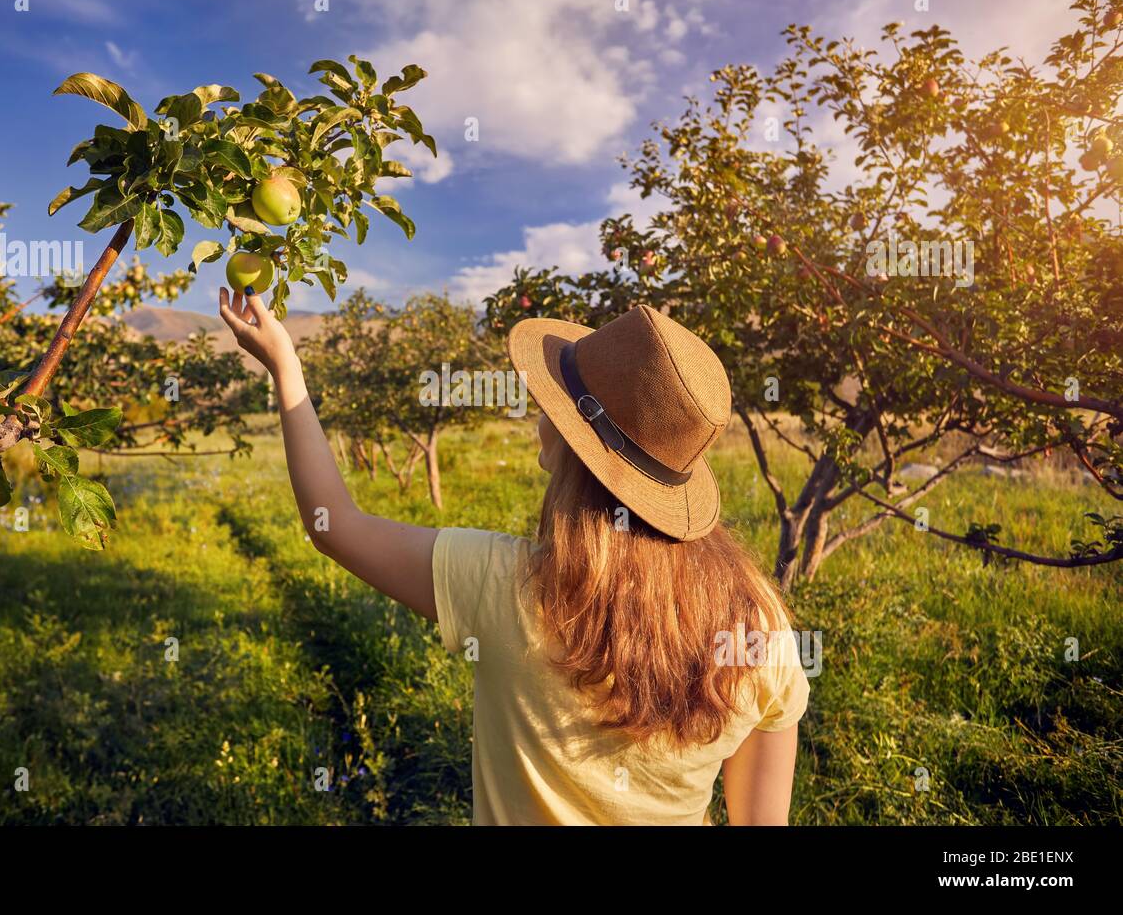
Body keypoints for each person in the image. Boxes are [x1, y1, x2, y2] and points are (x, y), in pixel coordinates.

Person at [219, 288, 810, 825]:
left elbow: (334, 526)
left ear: (573, 442)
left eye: (553, 400)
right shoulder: (759, 623)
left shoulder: (506, 584)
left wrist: (285, 368)